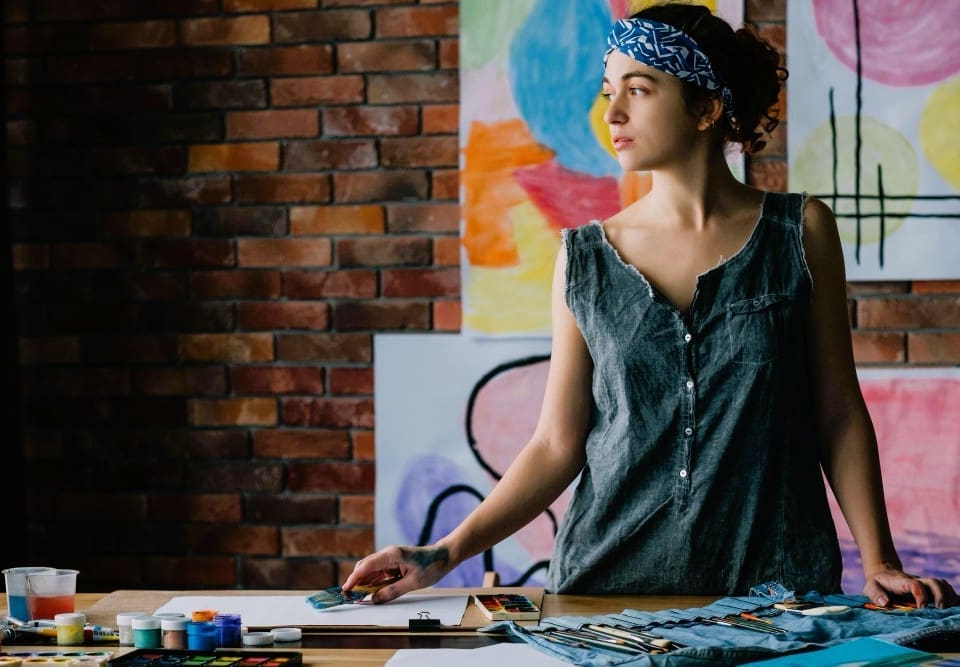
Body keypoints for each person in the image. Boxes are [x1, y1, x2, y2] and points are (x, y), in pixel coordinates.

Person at [343, 1, 959, 608]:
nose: (611, 112)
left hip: (777, 596)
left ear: (707, 107)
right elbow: (557, 444)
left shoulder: (800, 233)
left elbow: (838, 413)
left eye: (638, 90)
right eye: (608, 90)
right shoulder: (582, 259)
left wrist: (880, 562)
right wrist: (443, 553)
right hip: (603, 597)